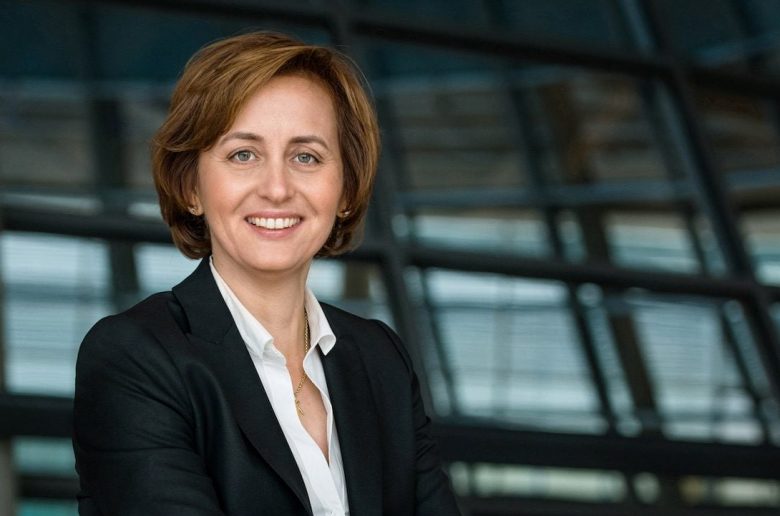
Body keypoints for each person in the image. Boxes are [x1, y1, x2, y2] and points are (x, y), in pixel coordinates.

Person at [72, 31, 461, 516]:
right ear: (191, 187)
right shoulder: (134, 357)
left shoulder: (380, 360)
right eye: (243, 154)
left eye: (306, 157)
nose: (277, 188)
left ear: (345, 190)